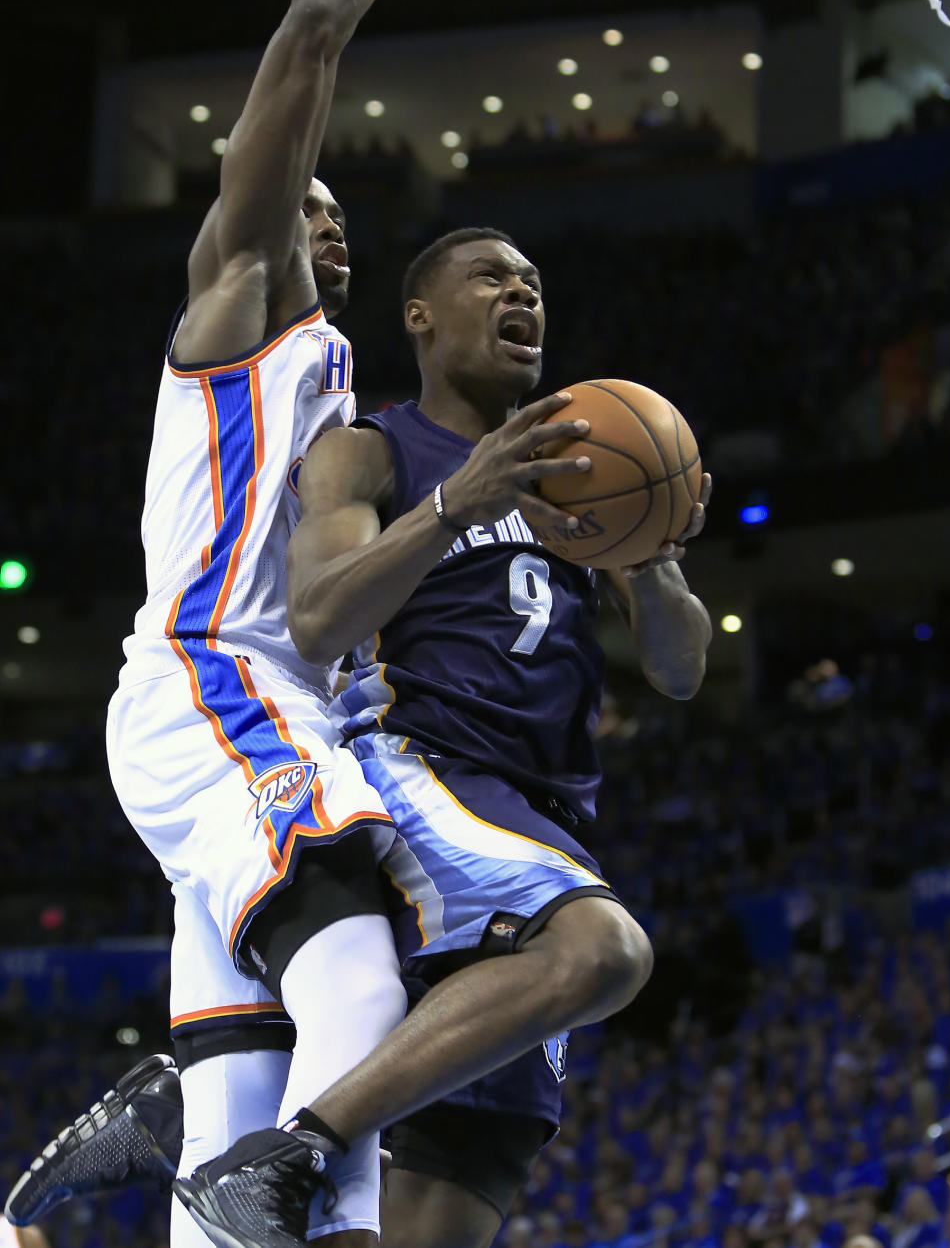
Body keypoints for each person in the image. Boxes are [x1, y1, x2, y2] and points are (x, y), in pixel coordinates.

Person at [5, 0, 513, 1248]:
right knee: (356, 981)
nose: (330, 214)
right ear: (246, 214)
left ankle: (143, 1159)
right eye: (305, 200)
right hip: (220, 687)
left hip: (264, 715)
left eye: (344, 211)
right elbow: (311, 35)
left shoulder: (344, 400)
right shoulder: (238, 316)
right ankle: (204, 1139)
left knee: (256, 1103)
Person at [171, 225, 711, 1248]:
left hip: (544, 820)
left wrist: (656, 556)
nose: (522, 294)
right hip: (426, 762)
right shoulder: (376, 448)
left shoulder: (584, 480)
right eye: (493, 278)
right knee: (603, 950)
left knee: (453, 1198)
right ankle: (289, 1149)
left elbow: (680, 673)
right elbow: (320, 617)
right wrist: (459, 503)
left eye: (535, 283)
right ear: (421, 315)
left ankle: (270, 1138)